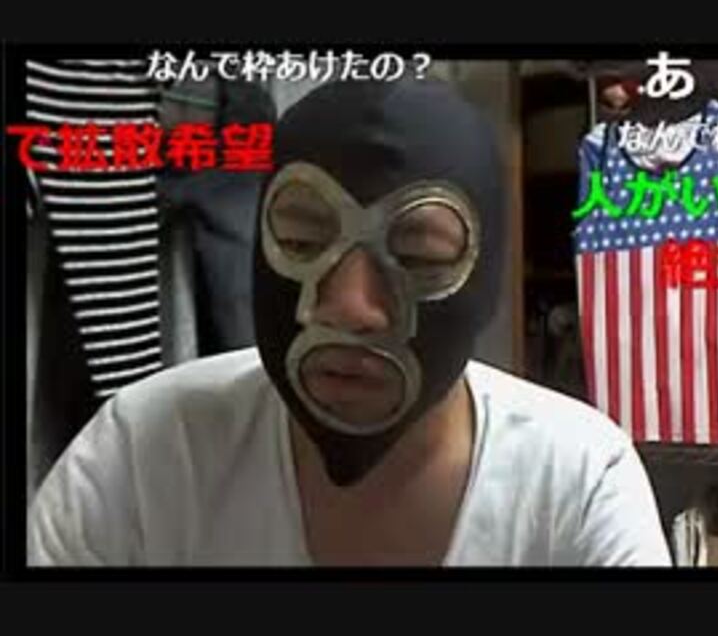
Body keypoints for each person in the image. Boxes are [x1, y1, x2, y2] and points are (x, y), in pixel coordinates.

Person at [27, 77, 672, 567]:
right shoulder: (141, 460)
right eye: (302, 239)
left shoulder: (578, 487)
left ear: (487, 274)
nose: (348, 306)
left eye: (419, 256)